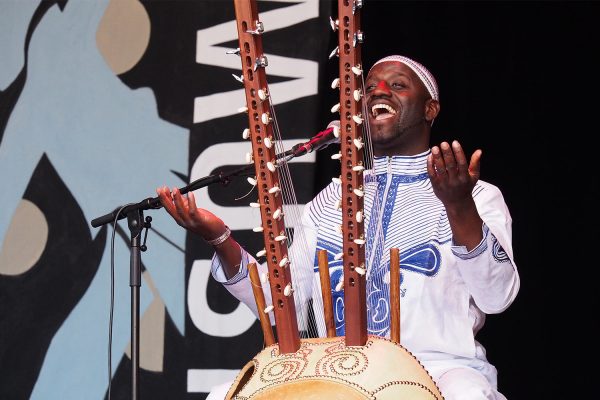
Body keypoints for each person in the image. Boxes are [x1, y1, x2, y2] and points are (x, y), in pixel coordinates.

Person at [157, 54, 520, 400]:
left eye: (397, 85)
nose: (378, 91)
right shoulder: (328, 203)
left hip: (438, 367)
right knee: (223, 394)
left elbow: (497, 295)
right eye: (371, 86)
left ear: (430, 109)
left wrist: (458, 207)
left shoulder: (478, 196)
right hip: (342, 369)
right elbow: (284, 307)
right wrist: (219, 239)